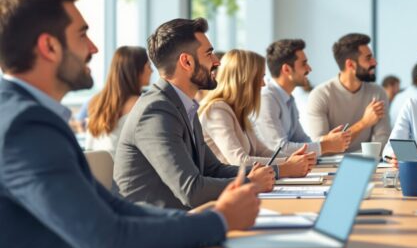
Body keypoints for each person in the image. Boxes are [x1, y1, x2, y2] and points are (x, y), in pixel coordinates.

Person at [0, 0, 259, 248]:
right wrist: (220, 221)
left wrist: (216, 218)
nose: (94, 48)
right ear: (49, 47)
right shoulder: (24, 126)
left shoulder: (27, 115)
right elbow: (108, 239)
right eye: (82, 35)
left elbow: (113, 207)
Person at [114, 18, 275, 210]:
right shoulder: (156, 111)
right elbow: (191, 190)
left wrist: (271, 172)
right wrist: (251, 182)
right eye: (209, 54)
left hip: (179, 219)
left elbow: (213, 169)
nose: (217, 62)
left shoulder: (183, 105)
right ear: (187, 61)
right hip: (154, 229)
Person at [199, 49, 315, 178]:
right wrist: (287, 163)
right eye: (261, 77)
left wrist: (292, 159)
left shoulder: (238, 110)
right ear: (245, 79)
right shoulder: (217, 111)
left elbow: (262, 151)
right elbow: (240, 161)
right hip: (227, 189)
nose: (264, 83)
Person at [255, 39, 352, 156]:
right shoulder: (267, 99)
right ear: (286, 69)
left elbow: (301, 140)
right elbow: (279, 149)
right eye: (304, 63)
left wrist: (327, 141)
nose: (309, 69)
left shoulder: (288, 98)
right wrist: (325, 145)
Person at [305, 33, 391, 153]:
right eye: (368, 58)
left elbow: (383, 140)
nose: (374, 63)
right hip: (328, 167)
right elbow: (319, 146)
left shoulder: (378, 93)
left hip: (366, 162)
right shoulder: (320, 95)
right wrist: (363, 123)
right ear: (350, 64)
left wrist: (358, 159)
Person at [85, 46, 152, 156]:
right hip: (125, 171)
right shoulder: (142, 104)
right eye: (148, 66)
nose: (152, 71)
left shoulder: (95, 103)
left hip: (97, 171)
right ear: (136, 71)